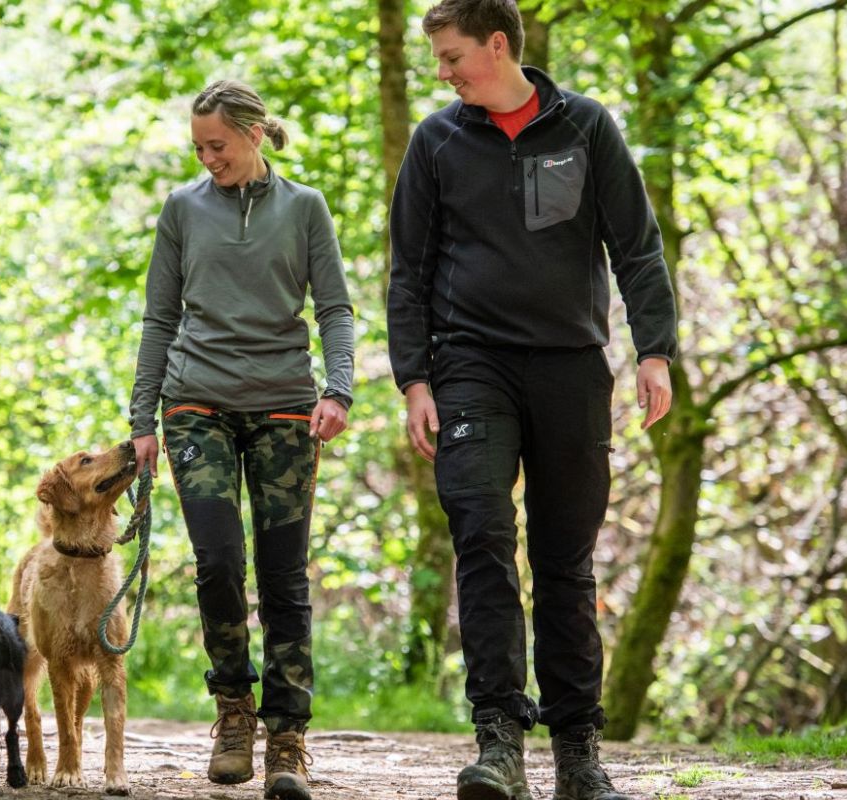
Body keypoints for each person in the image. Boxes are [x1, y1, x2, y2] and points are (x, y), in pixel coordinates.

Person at [386, 0, 679, 797]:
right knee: (480, 531)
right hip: (470, 363)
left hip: (572, 366)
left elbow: (638, 248)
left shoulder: (586, 127)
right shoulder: (436, 141)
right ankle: (499, 742)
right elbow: (407, 270)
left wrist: (655, 351)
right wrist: (414, 377)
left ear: (498, 44)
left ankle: (579, 752)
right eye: (437, 60)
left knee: (563, 557)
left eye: (451, 57)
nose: (441, 73)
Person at [128, 79, 355, 800]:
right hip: (195, 405)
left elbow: (336, 308)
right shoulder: (182, 209)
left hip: (286, 408)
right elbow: (159, 319)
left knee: (284, 574)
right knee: (219, 561)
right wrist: (142, 421)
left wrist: (339, 388)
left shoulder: (305, 208)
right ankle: (234, 710)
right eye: (198, 148)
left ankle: (287, 735)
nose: (207, 159)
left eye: (217, 146)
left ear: (254, 135)